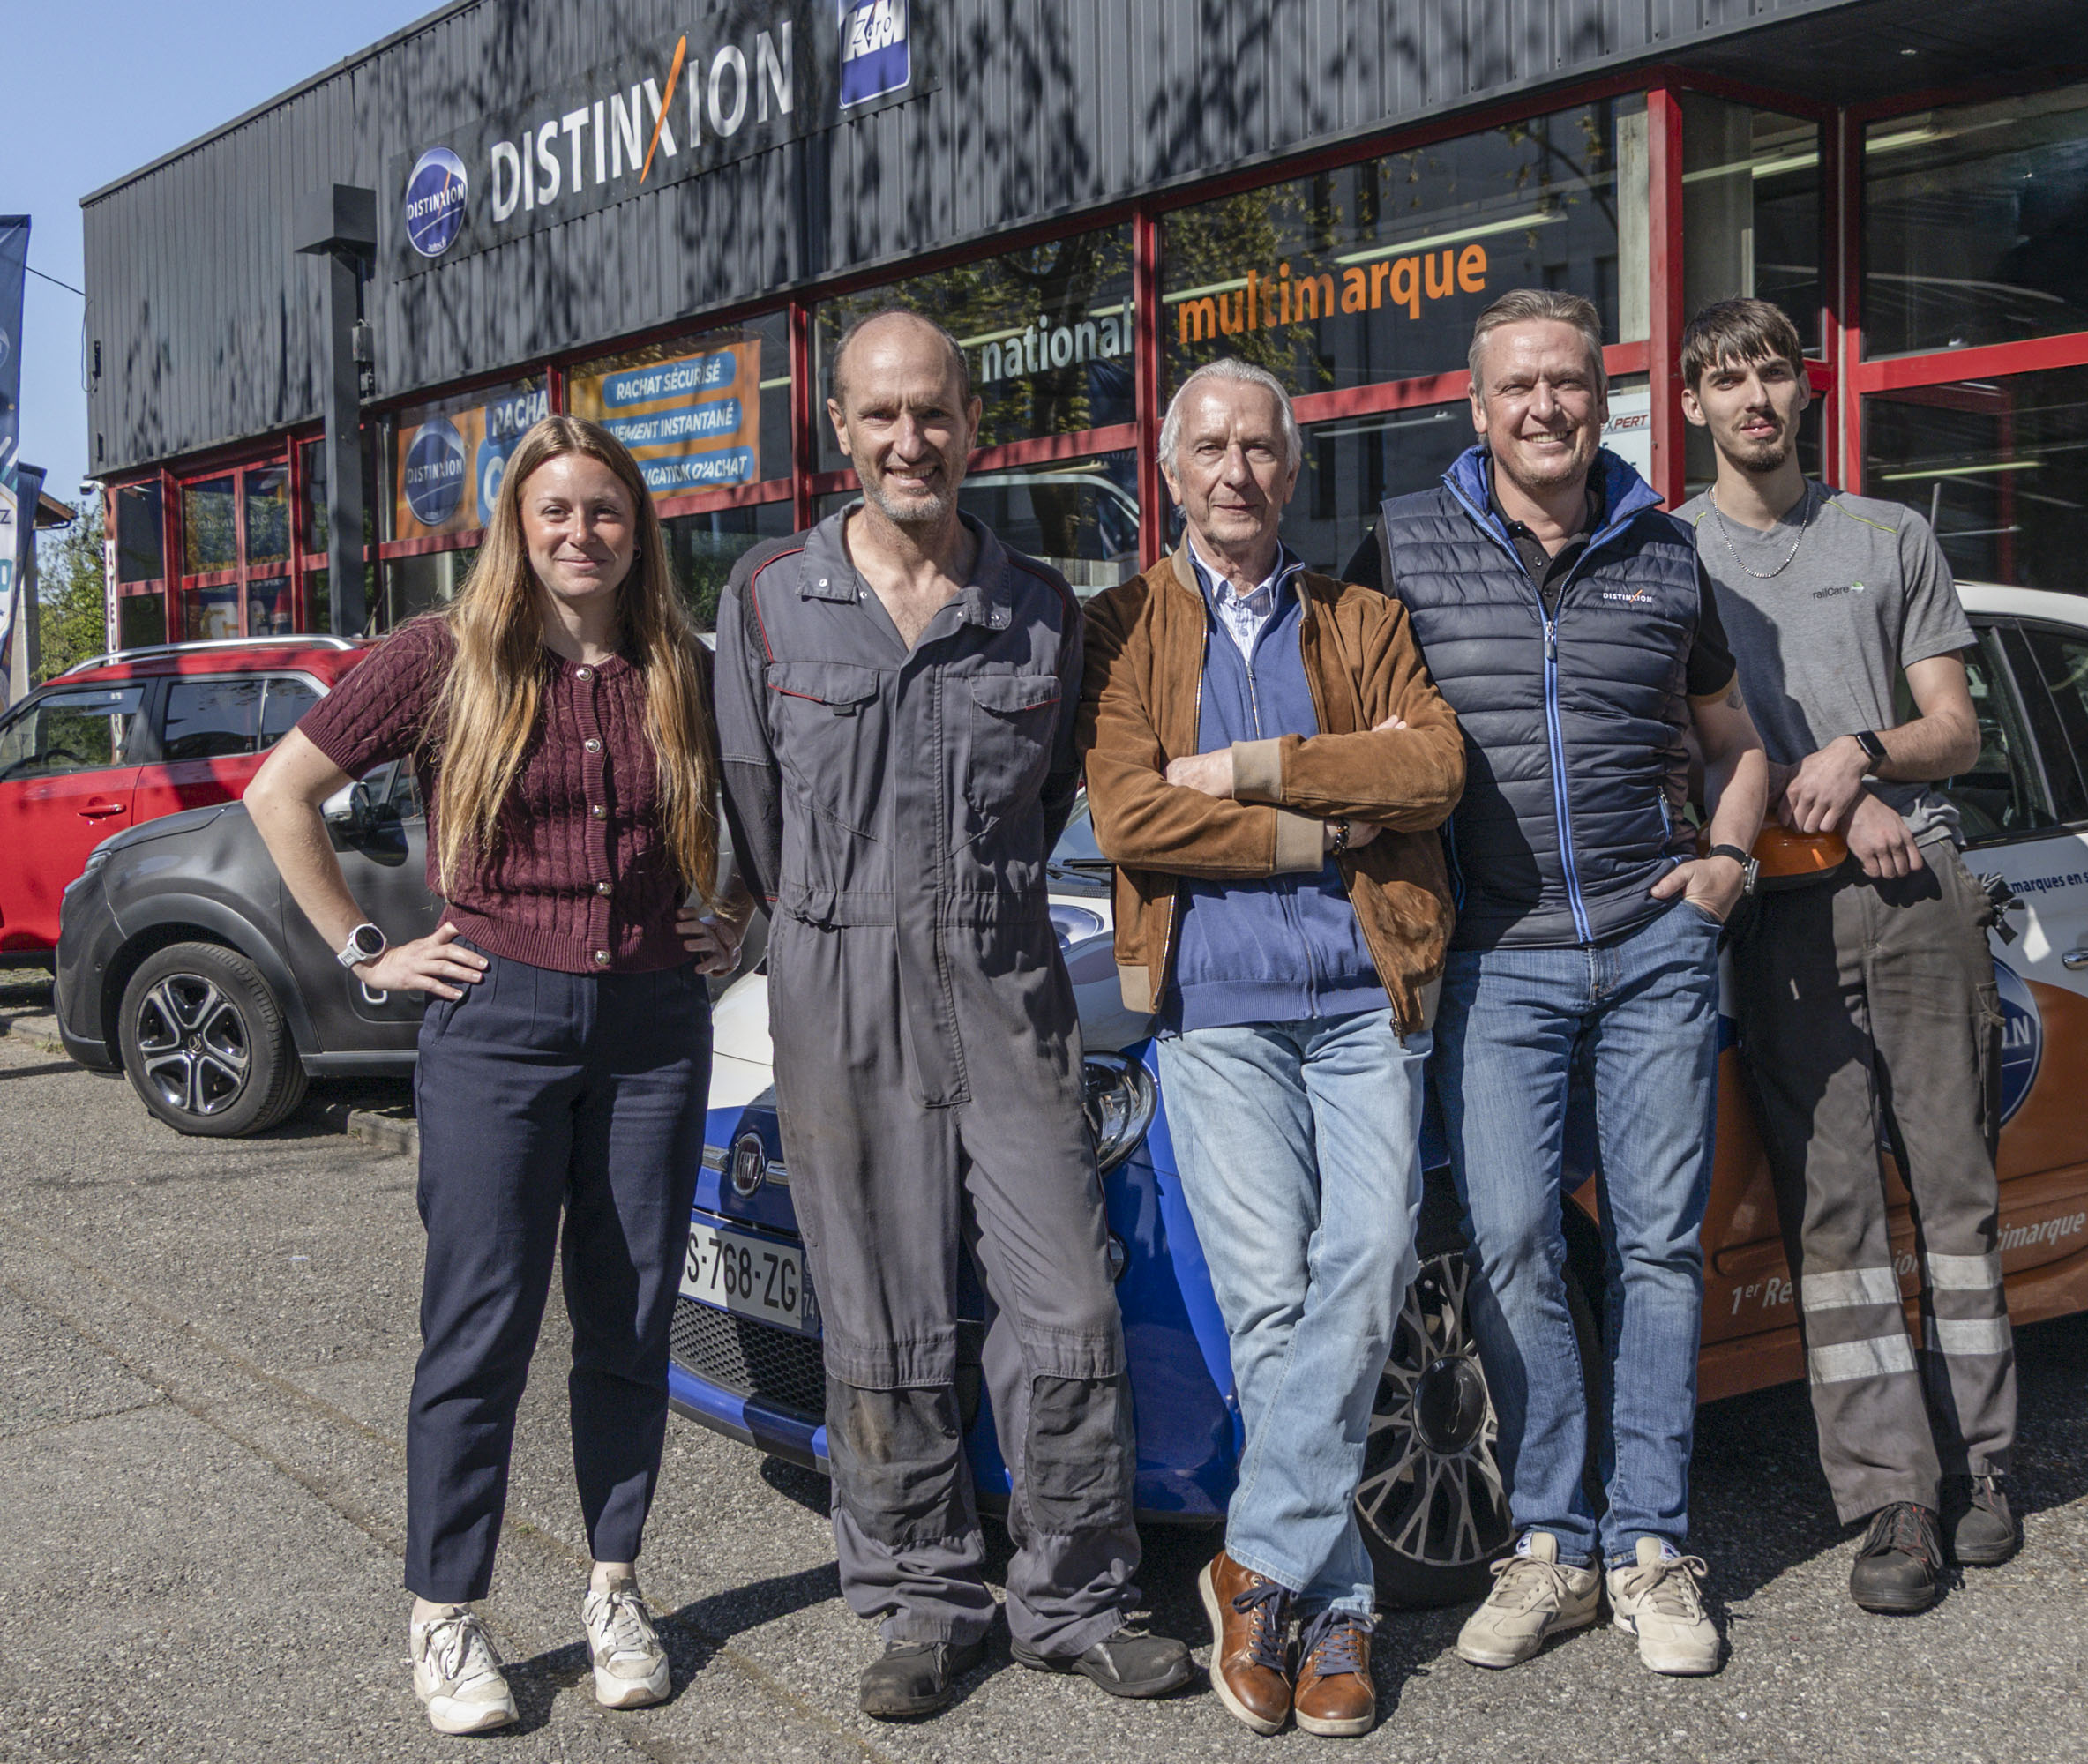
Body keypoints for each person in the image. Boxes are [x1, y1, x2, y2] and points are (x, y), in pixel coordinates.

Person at [712, 310, 1192, 1720]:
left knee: (1064, 1304)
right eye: (881, 416)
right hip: (836, 974)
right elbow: (752, 813)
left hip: (1001, 972)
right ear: (841, 433)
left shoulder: (1039, 606)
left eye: (934, 414)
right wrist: (822, 934)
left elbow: (1048, 805)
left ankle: (1078, 1597)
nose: (908, 440)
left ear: (973, 429)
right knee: (881, 1310)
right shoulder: (768, 599)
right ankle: (922, 1597)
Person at [244, 415, 747, 1736]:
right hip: (493, 1019)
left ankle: (615, 1587)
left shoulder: (680, 666)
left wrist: (733, 917)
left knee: (629, 1318)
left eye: (606, 513)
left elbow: (760, 814)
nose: (582, 534)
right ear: (517, 529)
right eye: (556, 512)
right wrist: (368, 951)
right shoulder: (441, 657)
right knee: (482, 1325)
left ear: (640, 531)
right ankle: (447, 1615)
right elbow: (278, 794)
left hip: (651, 1022)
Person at [1343, 288, 1770, 1678]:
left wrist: (1724, 865)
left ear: (1604, 401)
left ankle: (1648, 1544)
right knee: (1515, 1239)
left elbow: (1735, 740)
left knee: (1655, 1245)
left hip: (1653, 947)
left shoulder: (1665, 550)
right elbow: (1338, 737)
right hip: (1497, 957)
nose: (1546, 408)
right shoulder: (1401, 544)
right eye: (1518, 387)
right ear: (1477, 410)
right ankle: (1549, 1544)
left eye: (1570, 385)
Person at [1079, 359, 1464, 1737]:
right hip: (1218, 1015)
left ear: (1291, 475)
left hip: (1366, 998)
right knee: (1272, 1315)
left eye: (1261, 450)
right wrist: (1313, 828)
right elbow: (1130, 818)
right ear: (1170, 473)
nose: (1237, 472)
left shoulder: (1361, 617)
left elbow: (1428, 771)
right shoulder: (1122, 626)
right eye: (1212, 450)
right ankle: (1336, 1607)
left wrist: (1246, 770)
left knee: (1365, 1273)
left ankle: (1255, 1565)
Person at [1677, 295, 2017, 1615]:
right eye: (1725, 380)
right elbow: (1685, 748)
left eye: (1770, 372)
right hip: (1780, 914)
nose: (1752, 397)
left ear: (1804, 389)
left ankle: (1988, 1468)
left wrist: (1860, 756)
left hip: (1916, 896)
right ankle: (1893, 1501)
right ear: (1696, 405)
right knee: (1837, 1221)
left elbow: (1958, 728)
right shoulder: (1668, 552)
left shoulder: (1891, 536)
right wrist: (1813, 803)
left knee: (1956, 1194)